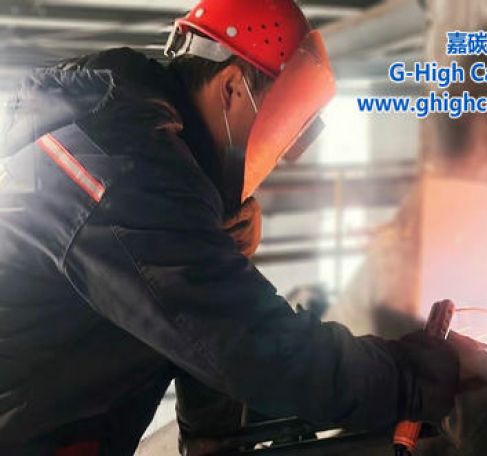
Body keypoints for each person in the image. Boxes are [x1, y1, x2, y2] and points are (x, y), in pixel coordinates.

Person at [0, 1, 460, 454]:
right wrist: (407, 379)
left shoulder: (131, 144)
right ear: (232, 89)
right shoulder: (119, 173)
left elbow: (185, 321)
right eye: (279, 123)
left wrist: (210, 432)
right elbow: (241, 341)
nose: (275, 155)